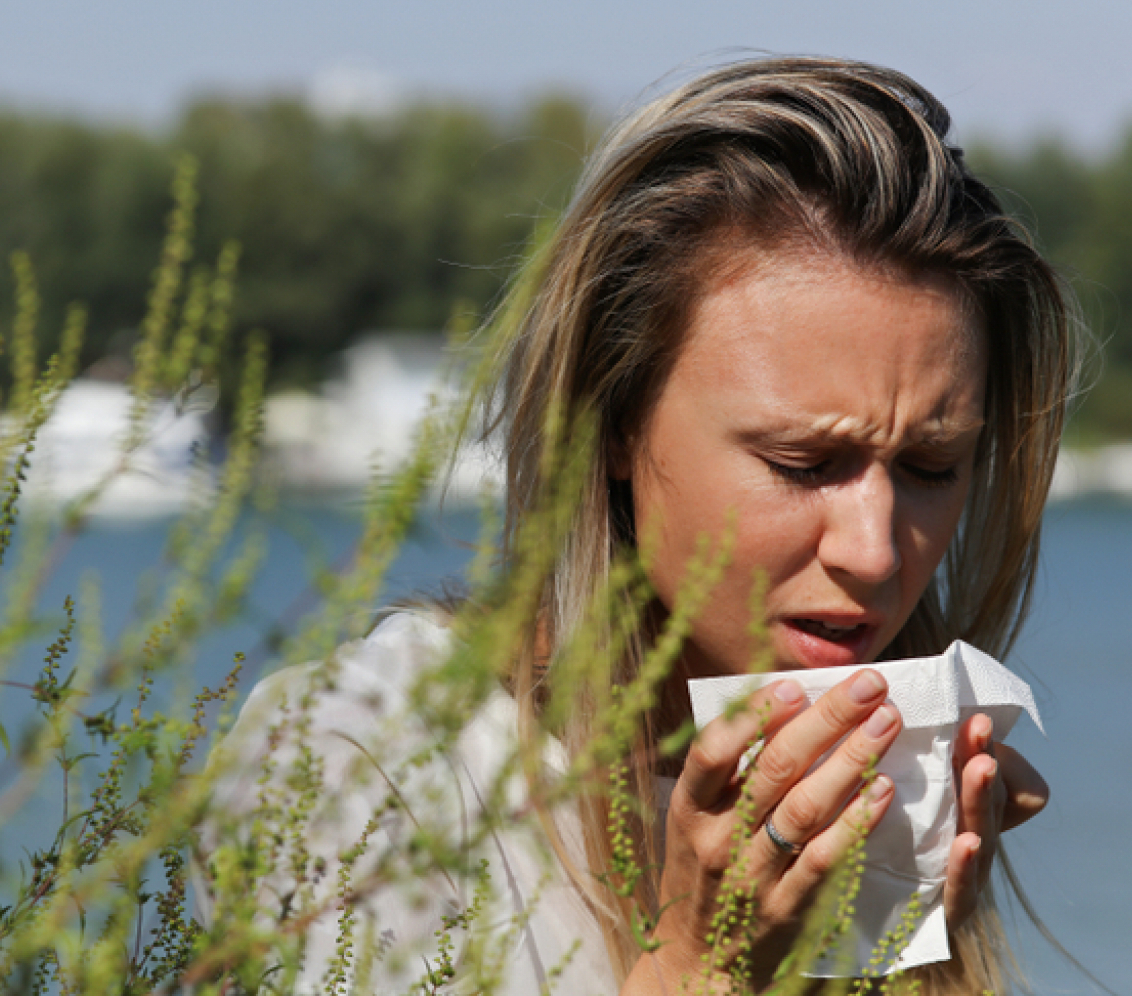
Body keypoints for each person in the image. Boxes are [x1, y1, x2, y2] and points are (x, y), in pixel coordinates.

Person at [199, 56, 1078, 995]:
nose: (872, 551)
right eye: (801, 465)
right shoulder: (359, 760)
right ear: (610, 421)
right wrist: (702, 970)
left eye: (931, 468)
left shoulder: (898, 787)